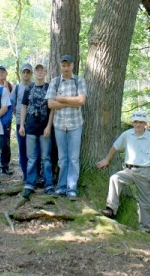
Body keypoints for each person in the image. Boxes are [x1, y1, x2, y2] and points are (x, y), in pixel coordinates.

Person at [96, 111, 150, 233]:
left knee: (145, 201)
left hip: (145, 171)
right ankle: (111, 209)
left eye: (141, 122)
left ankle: (145, 229)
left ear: (145, 124)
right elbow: (115, 146)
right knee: (115, 178)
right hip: (129, 170)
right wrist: (106, 159)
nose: (138, 125)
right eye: (136, 122)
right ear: (133, 123)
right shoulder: (127, 134)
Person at [45, 54, 87, 200]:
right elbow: (50, 104)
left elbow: (81, 100)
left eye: (68, 65)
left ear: (72, 65)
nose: (66, 67)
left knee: (74, 158)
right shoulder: (55, 82)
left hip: (75, 124)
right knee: (62, 158)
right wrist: (71, 102)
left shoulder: (79, 81)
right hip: (59, 125)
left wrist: (61, 99)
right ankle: (61, 187)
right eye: (63, 65)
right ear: (60, 66)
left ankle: (72, 188)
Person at [19, 63, 55, 198]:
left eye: (42, 70)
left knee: (46, 158)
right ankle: (30, 183)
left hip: (44, 129)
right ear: (34, 73)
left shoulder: (49, 88)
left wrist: (49, 126)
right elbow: (23, 106)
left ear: (45, 72)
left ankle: (49, 184)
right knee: (32, 158)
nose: (40, 72)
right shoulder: (29, 88)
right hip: (30, 128)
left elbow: (52, 109)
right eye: (37, 70)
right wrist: (22, 125)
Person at [10, 63, 33, 182]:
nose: (25, 74)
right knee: (22, 148)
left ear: (31, 74)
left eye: (28, 72)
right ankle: (25, 173)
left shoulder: (35, 86)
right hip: (20, 123)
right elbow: (12, 104)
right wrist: (17, 116)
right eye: (24, 72)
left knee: (34, 150)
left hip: (33, 124)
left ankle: (34, 174)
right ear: (21, 73)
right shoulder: (17, 88)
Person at [0, 65, 14, 175]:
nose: (1, 74)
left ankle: (5, 165)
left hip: (7, 118)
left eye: (3, 72)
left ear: (6, 73)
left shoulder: (11, 85)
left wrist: (7, 88)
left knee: (5, 143)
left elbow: (11, 100)